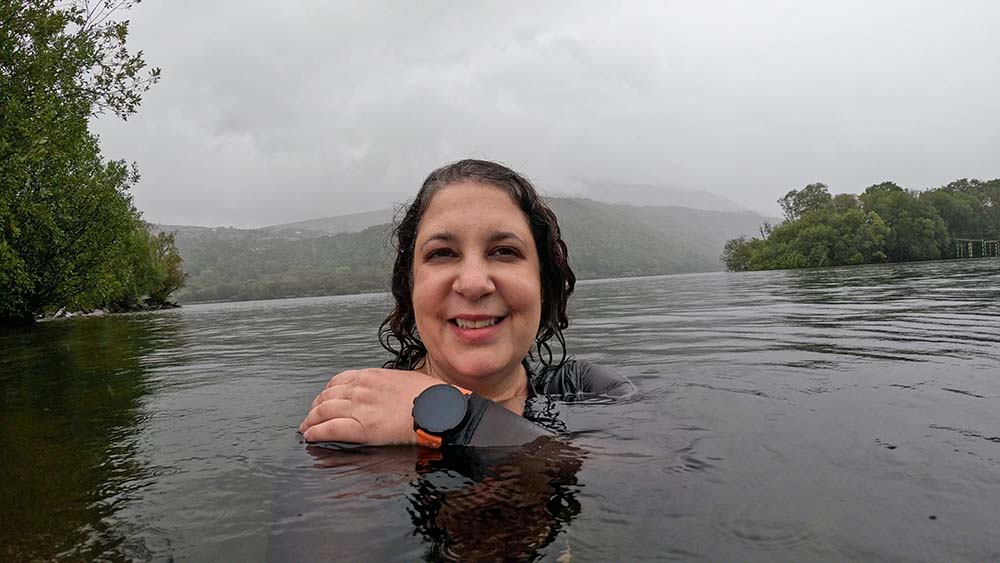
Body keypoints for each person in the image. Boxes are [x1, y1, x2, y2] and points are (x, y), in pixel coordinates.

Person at [298, 159, 631, 448]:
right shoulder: (357, 412)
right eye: (442, 253)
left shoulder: (585, 389)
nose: (473, 284)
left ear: (542, 284)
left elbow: (642, 478)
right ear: (410, 286)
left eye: (504, 251)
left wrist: (448, 417)